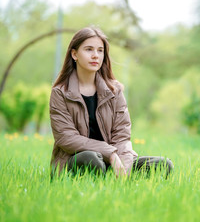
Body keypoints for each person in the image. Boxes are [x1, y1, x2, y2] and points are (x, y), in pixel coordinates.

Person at [49, 26, 173, 179]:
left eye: (100, 50)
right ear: (74, 54)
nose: (95, 55)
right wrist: (110, 153)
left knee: (162, 165)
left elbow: (122, 136)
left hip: (115, 159)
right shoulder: (60, 93)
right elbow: (66, 138)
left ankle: (118, 178)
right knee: (91, 159)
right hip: (77, 160)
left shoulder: (114, 91)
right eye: (89, 49)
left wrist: (124, 169)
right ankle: (103, 175)